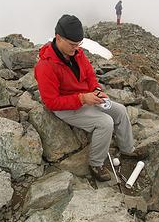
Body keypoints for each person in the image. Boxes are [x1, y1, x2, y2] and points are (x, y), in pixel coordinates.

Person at [34, 14, 134, 182]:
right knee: (105, 123)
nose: (76, 48)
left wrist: (96, 90)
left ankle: (127, 149)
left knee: (120, 111)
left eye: (78, 44)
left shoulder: (77, 54)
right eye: (72, 44)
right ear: (58, 38)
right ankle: (96, 164)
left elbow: (89, 76)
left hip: (87, 98)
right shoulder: (45, 65)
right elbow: (51, 102)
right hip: (66, 107)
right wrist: (82, 99)